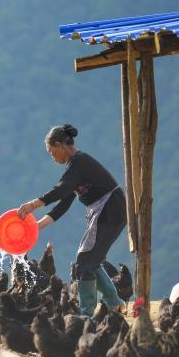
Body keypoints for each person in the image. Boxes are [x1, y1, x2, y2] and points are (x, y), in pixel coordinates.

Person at [16, 124, 128, 316]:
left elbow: (60, 190)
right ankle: (114, 302)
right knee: (90, 261)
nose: (52, 157)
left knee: (84, 261)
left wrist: (33, 204)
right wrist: (37, 225)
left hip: (109, 209)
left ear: (60, 145)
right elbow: (63, 203)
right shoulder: (75, 167)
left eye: (52, 152)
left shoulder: (79, 161)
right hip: (109, 211)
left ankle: (87, 314)